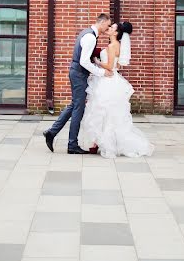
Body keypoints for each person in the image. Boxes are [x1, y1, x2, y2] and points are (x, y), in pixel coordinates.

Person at [77, 22, 154, 159]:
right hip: (112, 81)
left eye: (112, 28)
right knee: (106, 113)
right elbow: (118, 64)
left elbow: (110, 67)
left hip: (107, 81)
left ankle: (101, 144)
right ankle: (98, 143)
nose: (109, 28)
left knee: (102, 112)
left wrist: (97, 61)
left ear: (116, 33)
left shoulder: (112, 46)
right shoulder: (117, 46)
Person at [43, 14, 112, 154]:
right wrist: (101, 72)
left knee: (74, 105)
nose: (108, 28)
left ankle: (52, 132)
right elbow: (84, 61)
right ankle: (72, 145)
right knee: (78, 110)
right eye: (108, 25)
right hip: (79, 74)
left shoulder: (86, 33)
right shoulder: (90, 37)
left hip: (77, 73)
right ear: (102, 22)